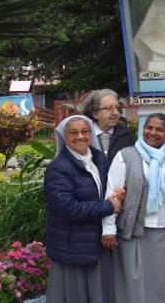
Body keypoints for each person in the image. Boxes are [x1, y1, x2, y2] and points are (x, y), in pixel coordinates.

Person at [102, 113, 165, 303]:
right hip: (134, 232)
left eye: (159, 129)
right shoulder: (125, 156)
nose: (153, 132)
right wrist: (108, 228)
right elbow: (112, 194)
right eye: (149, 127)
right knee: (136, 284)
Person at [44, 115, 121, 303]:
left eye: (85, 131)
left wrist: (119, 193)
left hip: (94, 241)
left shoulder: (98, 158)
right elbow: (67, 208)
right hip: (73, 245)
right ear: (64, 137)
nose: (80, 136)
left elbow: (109, 187)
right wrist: (108, 206)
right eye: (73, 132)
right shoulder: (58, 168)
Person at [82, 89, 136, 166]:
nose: (115, 113)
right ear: (95, 114)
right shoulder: (83, 135)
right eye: (109, 108)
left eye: (117, 108)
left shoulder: (126, 135)